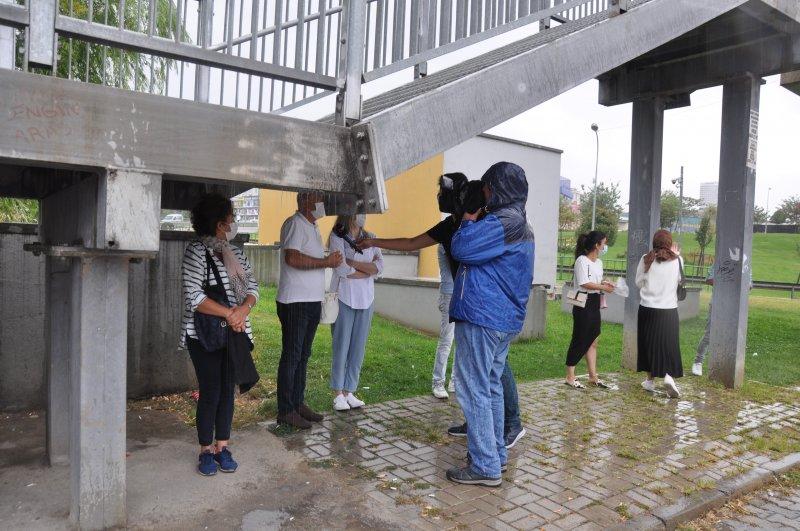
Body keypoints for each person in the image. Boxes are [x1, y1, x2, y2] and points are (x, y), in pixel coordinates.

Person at [360, 179, 527, 450]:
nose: (440, 198)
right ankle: (480, 429)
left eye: (444, 194)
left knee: (494, 372)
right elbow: (412, 242)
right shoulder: (452, 225)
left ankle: (511, 426)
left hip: (488, 308)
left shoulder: (485, 222)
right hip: (468, 304)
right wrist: (372, 241)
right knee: (479, 373)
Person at [446, 162, 535, 487]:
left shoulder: (501, 223)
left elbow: (460, 248)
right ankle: (495, 456)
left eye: (485, 188)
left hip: (484, 316)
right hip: (500, 319)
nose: (482, 193)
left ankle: (485, 466)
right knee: (492, 387)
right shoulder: (519, 223)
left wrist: (468, 220)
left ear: (496, 188)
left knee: (475, 390)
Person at [181, 193, 260, 476]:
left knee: (228, 389)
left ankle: (222, 446)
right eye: (231, 219)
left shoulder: (235, 252)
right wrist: (230, 313)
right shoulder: (196, 252)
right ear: (219, 224)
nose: (233, 223)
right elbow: (195, 297)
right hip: (204, 335)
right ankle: (205, 450)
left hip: (234, 333)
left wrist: (243, 310)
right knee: (211, 390)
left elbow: (253, 288)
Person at [276, 192, 343, 429]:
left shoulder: (312, 226)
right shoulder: (295, 224)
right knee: (292, 356)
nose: (322, 204)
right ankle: (285, 410)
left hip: (311, 301)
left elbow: (306, 257)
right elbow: (292, 258)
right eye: (318, 200)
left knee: (303, 355)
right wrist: (326, 262)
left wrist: (326, 259)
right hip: (295, 301)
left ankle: (297, 403)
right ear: (305, 202)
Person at [328, 214, 383, 411]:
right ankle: (338, 393)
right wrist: (367, 270)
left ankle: (350, 390)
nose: (363, 216)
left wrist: (353, 263)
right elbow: (341, 269)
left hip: (366, 299)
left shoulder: (371, 237)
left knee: (358, 347)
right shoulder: (337, 236)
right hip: (344, 296)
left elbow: (380, 268)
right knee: (341, 345)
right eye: (360, 211)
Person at [636, 229, 684, 398]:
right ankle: (669, 376)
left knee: (647, 343)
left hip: (647, 308)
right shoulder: (678, 261)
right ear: (670, 243)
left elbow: (638, 282)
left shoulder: (646, 258)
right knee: (669, 344)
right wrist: (676, 257)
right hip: (669, 310)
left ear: (654, 243)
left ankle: (649, 381)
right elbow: (679, 281)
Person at [564, 231, 614, 389]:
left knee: (593, 339)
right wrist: (602, 286)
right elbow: (585, 282)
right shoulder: (581, 261)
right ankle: (570, 375)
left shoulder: (598, 263)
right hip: (583, 301)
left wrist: (606, 283)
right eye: (603, 243)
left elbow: (596, 281)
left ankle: (593, 376)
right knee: (580, 338)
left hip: (594, 302)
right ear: (596, 245)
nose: (605, 246)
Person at [692, 258, 752, 376]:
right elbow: (708, 279)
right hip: (717, 302)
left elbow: (749, 285)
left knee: (733, 335)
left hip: (736, 305)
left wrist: (741, 281)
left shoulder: (745, 262)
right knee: (709, 334)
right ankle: (698, 362)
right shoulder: (721, 258)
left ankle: (726, 365)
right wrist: (727, 279)